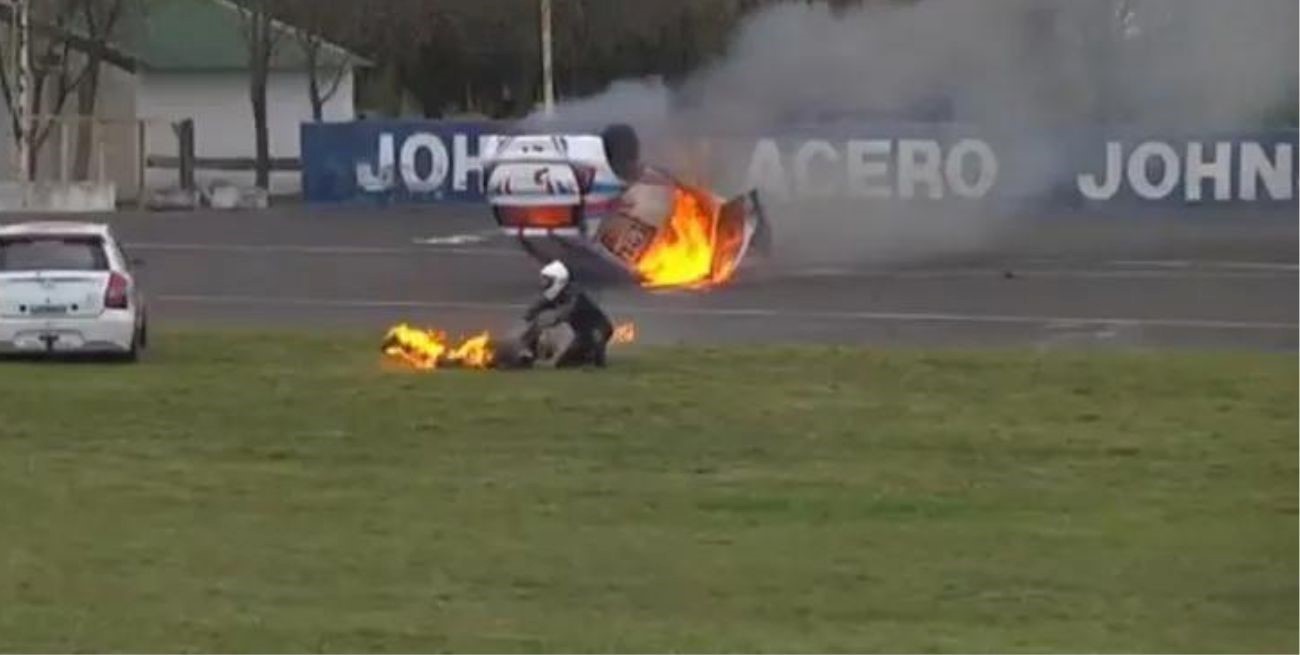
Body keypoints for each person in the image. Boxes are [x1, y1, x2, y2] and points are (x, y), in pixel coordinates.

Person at [524, 260, 614, 368]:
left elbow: (566, 311)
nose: (543, 283)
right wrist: (527, 318)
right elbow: (539, 305)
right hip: (581, 334)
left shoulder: (574, 294)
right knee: (564, 362)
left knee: (591, 342)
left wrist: (551, 321)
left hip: (598, 329)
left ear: (558, 280)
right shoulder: (556, 294)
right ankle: (526, 352)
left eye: (547, 280)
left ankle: (595, 360)